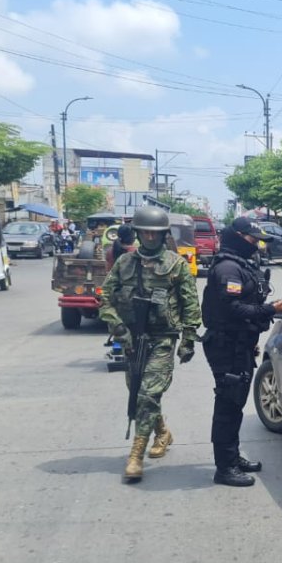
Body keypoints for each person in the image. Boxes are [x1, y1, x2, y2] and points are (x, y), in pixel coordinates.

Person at [99, 206, 201, 483]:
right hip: (132, 338)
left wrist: (188, 340)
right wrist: (118, 326)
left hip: (163, 338)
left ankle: (135, 455)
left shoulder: (175, 263)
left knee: (146, 395)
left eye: (155, 233)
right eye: (145, 232)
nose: (150, 237)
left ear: (163, 234)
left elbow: (190, 304)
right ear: (138, 233)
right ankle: (163, 432)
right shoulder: (125, 263)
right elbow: (105, 297)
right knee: (139, 391)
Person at [201, 218, 282, 487]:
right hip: (226, 345)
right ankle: (225, 467)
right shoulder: (228, 268)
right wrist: (271, 310)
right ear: (237, 237)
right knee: (228, 405)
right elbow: (233, 309)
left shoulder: (240, 265)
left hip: (238, 343)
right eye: (252, 240)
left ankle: (232, 457)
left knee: (236, 403)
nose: (256, 245)